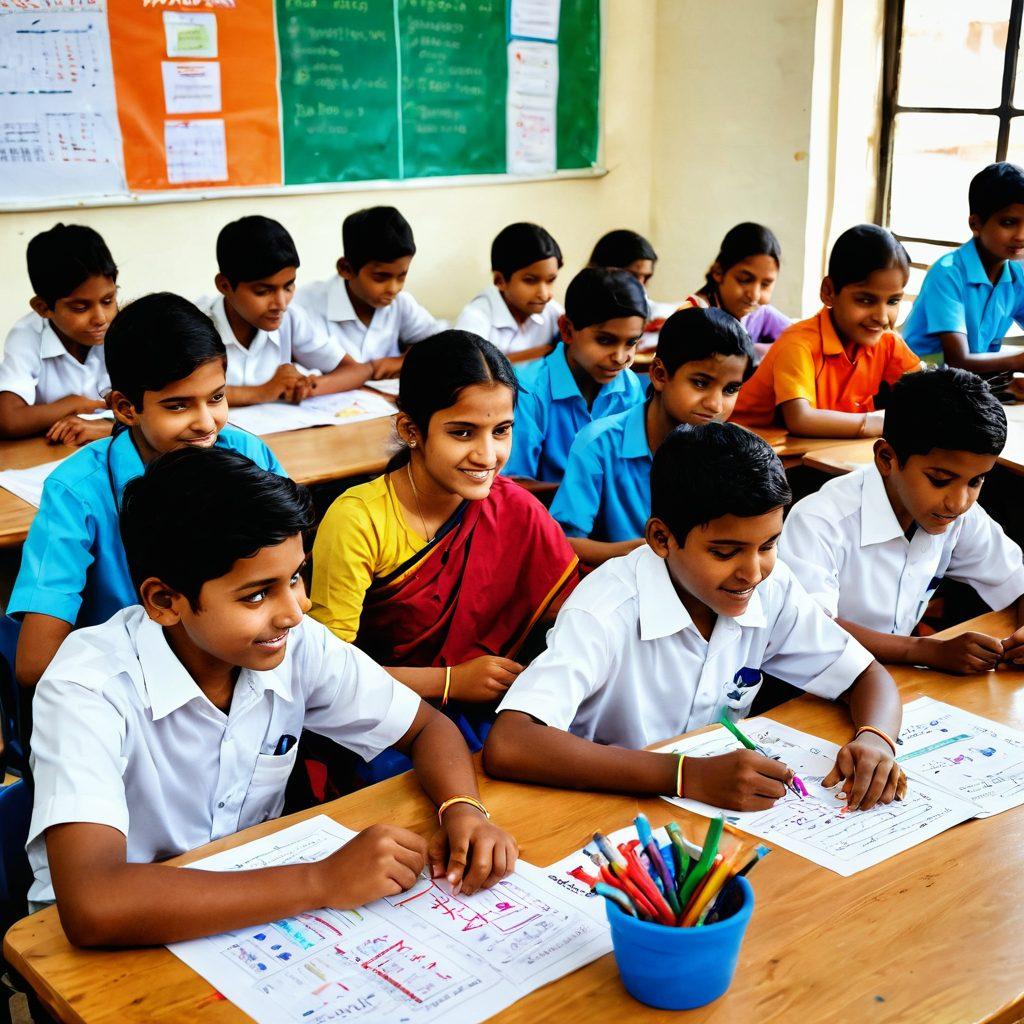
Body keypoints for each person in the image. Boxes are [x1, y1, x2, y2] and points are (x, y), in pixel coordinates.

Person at [27, 446, 518, 942]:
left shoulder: (292, 642)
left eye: (296, 577)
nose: (294, 611)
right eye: (256, 595)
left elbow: (426, 728)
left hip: (254, 907)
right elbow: (95, 904)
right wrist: (319, 879)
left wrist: (462, 809)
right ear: (164, 601)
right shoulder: (86, 690)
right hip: (119, 938)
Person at [484, 422, 907, 814]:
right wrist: (685, 775)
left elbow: (865, 676)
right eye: (724, 553)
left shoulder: (771, 589)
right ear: (661, 539)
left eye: (768, 545)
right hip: (600, 806)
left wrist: (877, 739)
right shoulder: (604, 611)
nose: (752, 571)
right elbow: (512, 742)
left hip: (712, 811)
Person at [310, 331, 579, 780]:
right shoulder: (358, 520)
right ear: (410, 430)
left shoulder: (513, 506)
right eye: (462, 433)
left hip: (490, 704)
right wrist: (452, 681)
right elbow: (328, 674)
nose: (487, 455)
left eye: (502, 431)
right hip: (380, 719)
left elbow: (570, 617)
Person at [9, 293, 284, 689]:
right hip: (127, 685)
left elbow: (288, 577)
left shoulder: (250, 455)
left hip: (238, 672)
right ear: (125, 407)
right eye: (177, 406)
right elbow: (36, 664)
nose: (207, 423)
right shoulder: (76, 493)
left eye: (217, 397)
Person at [780, 367, 1024, 674]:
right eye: (939, 480)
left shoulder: (956, 515)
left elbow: (1017, 579)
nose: (959, 502)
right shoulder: (820, 522)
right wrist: (922, 650)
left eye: (975, 482)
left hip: (894, 677)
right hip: (811, 684)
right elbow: (811, 630)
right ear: (886, 458)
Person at [550, 306, 753, 566]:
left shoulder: (730, 451)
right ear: (659, 375)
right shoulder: (597, 444)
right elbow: (563, 543)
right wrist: (640, 552)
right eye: (700, 383)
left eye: (730, 389)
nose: (715, 405)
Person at [731, 224, 923, 436]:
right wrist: (880, 422)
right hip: (743, 452)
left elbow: (929, 394)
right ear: (829, 292)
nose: (882, 316)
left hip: (818, 454)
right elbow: (800, 419)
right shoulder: (798, 344)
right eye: (866, 300)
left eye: (893, 301)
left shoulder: (887, 343)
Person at [198, 215, 373, 407]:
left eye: (288, 287)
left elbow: (358, 371)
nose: (281, 304)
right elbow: (183, 393)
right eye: (263, 291)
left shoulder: (291, 318)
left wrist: (306, 387)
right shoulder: (195, 324)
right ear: (225, 285)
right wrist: (264, 391)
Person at [503, 268, 647, 482]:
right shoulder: (527, 389)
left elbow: (632, 472)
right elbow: (514, 486)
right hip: (542, 512)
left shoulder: (630, 386)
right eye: (605, 340)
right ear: (567, 330)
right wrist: (583, 497)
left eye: (631, 343)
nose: (620, 357)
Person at [0, 223, 117, 445]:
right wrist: (73, 404)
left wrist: (107, 428)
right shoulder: (27, 335)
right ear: (43, 308)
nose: (100, 318)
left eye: (108, 300)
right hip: (47, 455)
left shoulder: (123, 328)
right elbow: (8, 419)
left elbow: (157, 407)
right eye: (80, 308)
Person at [902, 162, 1024, 375]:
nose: (1021, 235)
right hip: (920, 384)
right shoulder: (947, 273)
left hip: (970, 384)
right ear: (975, 224)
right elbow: (958, 360)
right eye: (1008, 222)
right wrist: (1018, 360)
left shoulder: (1018, 274)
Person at [294, 206, 444, 378]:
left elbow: (440, 344)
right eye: (381, 277)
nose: (393, 288)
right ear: (346, 269)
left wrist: (400, 362)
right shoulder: (305, 306)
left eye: (402, 276)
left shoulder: (401, 303)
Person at [455, 222, 563, 362]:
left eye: (550, 280)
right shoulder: (475, 318)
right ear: (500, 281)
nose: (545, 294)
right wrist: (545, 351)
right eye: (530, 280)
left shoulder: (554, 312)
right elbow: (467, 370)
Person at [680, 223, 791, 358]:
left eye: (765, 284)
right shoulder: (693, 316)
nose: (754, 295)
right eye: (744, 280)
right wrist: (755, 352)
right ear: (718, 272)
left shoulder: (759, 312)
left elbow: (801, 338)